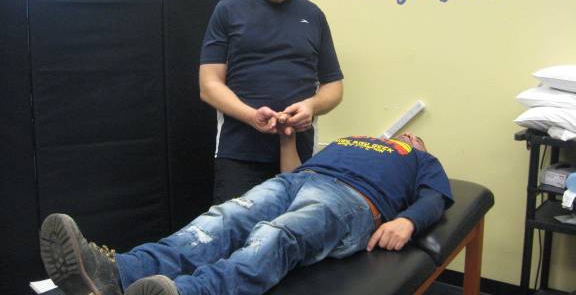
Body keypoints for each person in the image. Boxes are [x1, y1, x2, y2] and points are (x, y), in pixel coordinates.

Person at [39, 130, 453, 295]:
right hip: (298, 180)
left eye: (414, 137)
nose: (405, 136)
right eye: (403, 134)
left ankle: (188, 293)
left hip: (352, 201)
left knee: (277, 235)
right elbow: (296, 169)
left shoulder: (419, 160)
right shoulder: (352, 140)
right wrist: (287, 138)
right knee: (221, 220)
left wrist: (406, 220)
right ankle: (116, 272)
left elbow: (435, 199)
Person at [199, 0, 344, 203]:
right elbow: (209, 85)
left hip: (298, 151)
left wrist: (311, 107)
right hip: (240, 152)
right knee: (234, 231)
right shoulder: (228, 11)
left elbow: (333, 86)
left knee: (293, 230)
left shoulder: (313, 16)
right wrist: (251, 115)